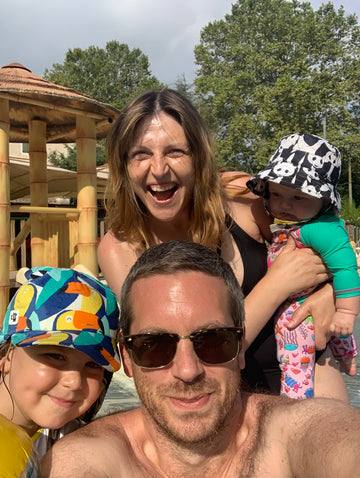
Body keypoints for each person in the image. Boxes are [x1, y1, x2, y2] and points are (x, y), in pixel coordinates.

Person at [98, 88, 347, 399]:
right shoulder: (120, 249)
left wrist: (328, 293)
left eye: (175, 151)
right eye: (141, 154)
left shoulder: (244, 199)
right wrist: (277, 285)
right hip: (213, 411)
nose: (159, 169)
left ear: (199, 157)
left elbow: (333, 244)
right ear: (123, 166)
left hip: (307, 385)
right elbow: (184, 357)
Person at [41, 241, 360, 478]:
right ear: (127, 358)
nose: (187, 370)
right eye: (154, 345)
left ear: (240, 349)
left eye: (213, 340)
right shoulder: (89, 459)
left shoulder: (296, 431)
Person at [246, 133, 360, 399]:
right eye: (276, 194)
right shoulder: (304, 224)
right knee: (338, 337)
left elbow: (346, 269)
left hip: (300, 308)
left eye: (298, 198)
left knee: (292, 347)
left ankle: (296, 396)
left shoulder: (320, 231)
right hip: (309, 298)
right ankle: (347, 358)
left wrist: (345, 312)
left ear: (324, 200)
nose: (284, 205)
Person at [0, 266, 120, 461]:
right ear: (6, 356)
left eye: (93, 365)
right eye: (55, 356)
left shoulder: (78, 446)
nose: (74, 382)